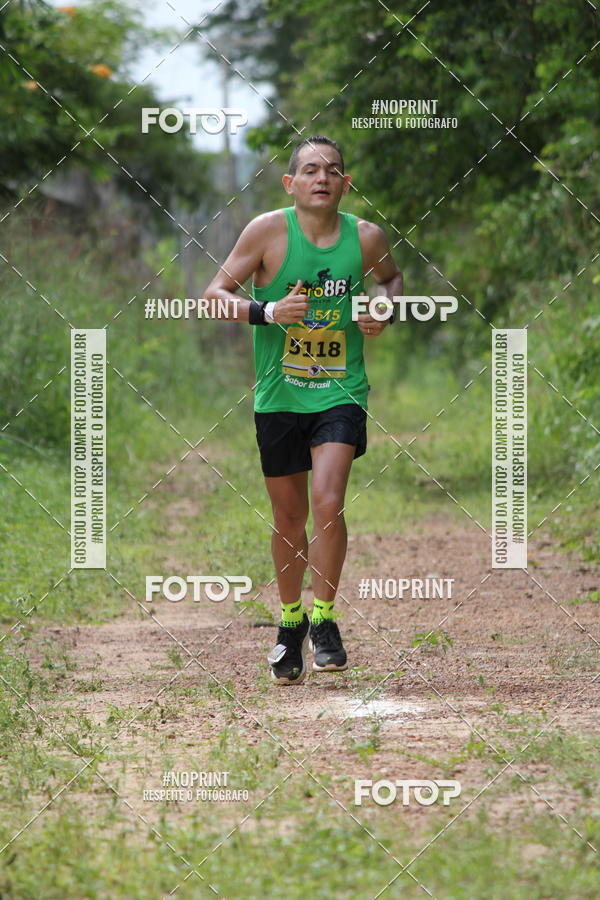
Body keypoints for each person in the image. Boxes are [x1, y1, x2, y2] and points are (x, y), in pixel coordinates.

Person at [204, 136, 403, 684]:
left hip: (341, 389)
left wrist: (382, 308)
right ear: (291, 184)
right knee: (289, 518)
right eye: (310, 170)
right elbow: (214, 294)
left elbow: (390, 280)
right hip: (279, 395)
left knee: (328, 501)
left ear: (346, 183)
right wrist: (267, 311)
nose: (323, 177)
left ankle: (325, 618)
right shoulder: (268, 231)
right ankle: (290, 622)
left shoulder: (367, 238)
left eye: (333, 170)